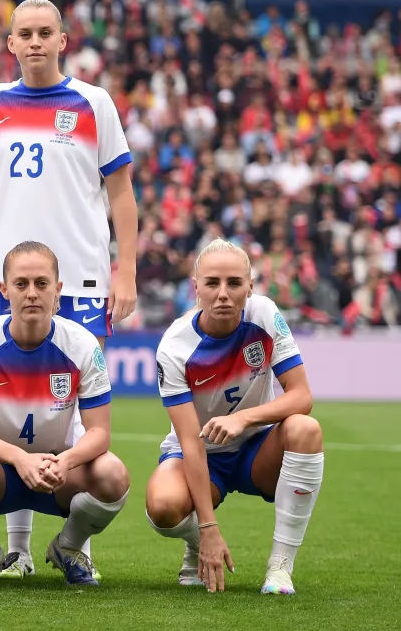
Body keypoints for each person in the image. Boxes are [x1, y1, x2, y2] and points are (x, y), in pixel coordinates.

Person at [0, 0, 138, 580]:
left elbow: (120, 193)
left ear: (63, 40)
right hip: (5, 284)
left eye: (46, 33)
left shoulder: (94, 103)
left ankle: (75, 541)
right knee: (9, 409)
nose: (36, 42)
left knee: (69, 412)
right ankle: (15, 546)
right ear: (10, 43)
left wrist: (126, 271)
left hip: (84, 280)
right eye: (25, 34)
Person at [0, 242, 129, 587]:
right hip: (0, 472)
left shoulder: (82, 344)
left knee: (114, 474)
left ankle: (67, 548)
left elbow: (100, 433)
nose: (31, 294)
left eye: (42, 284)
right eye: (21, 284)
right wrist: (18, 459)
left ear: (58, 290)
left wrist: (67, 461)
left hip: (58, 474)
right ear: (3, 290)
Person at [145, 239, 323, 595]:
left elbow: (302, 397)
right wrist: (209, 530)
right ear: (195, 288)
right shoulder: (175, 346)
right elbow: (191, 442)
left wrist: (244, 419)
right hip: (201, 454)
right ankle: (195, 544)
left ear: (250, 286)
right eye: (212, 283)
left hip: (258, 449)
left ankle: (280, 568)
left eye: (234, 283)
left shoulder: (265, 315)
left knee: (306, 429)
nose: (223, 294)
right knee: (163, 506)